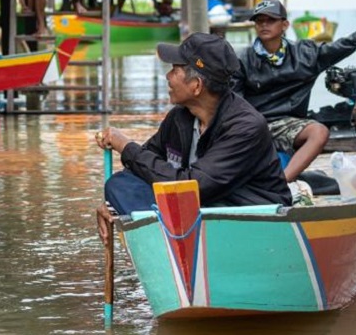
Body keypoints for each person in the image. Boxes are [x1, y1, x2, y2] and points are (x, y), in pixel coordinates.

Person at [94, 33, 291, 242]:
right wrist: (110, 205)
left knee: (181, 193)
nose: (168, 77)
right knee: (120, 185)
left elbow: (191, 187)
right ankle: (169, 247)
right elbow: (142, 166)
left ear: (196, 85)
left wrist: (125, 146)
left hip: (246, 216)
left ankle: (173, 244)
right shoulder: (180, 117)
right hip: (198, 210)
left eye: (175, 70)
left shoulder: (246, 127)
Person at [234, 0, 356, 182]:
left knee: (319, 132)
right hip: (254, 125)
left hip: (289, 126)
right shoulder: (242, 59)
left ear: (284, 25)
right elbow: (235, 103)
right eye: (259, 21)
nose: (264, 25)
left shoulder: (305, 54)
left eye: (270, 20)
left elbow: (341, 46)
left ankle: (282, 183)